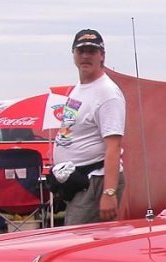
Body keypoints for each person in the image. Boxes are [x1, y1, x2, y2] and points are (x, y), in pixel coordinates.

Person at [52, 29, 126, 225]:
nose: (85, 56)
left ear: (102, 56)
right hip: (77, 181)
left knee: (77, 240)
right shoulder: (79, 89)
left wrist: (109, 193)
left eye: (92, 51)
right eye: (81, 50)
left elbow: (113, 146)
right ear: (74, 54)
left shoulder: (107, 94)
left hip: (96, 181)